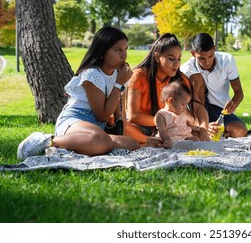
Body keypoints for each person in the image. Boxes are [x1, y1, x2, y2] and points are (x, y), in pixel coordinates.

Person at [17, 26, 140, 160]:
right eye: (118, 50)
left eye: (125, 49)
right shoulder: (92, 75)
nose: (124, 55)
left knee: (131, 143)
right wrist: (118, 84)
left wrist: (120, 130)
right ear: (103, 52)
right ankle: (46, 140)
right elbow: (103, 116)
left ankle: (77, 146)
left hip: (96, 129)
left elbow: (118, 116)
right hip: (75, 120)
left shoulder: (119, 75)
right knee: (102, 142)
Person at [124, 33, 209, 145]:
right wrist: (163, 121)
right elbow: (133, 116)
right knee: (122, 127)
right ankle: (150, 140)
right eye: (171, 59)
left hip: (172, 128)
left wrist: (203, 128)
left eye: (179, 59)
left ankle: (158, 141)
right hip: (143, 127)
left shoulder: (180, 78)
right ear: (157, 56)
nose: (176, 64)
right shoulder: (139, 75)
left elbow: (197, 106)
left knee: (198, 135)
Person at [181, 33, 248, 138]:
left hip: (220, 110)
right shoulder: (186, 70)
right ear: (193, 53)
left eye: (210, 56)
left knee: (240, 131)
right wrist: (201, 124)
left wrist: (233, 104)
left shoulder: (227, 60)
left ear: (215, 49)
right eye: (201, 58)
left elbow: (239, 92)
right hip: (198, 110)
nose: (207, 62)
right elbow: (183, 103)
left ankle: (215, 132)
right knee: (196, 77)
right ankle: (204, 128)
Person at [152, 81, 200, 149]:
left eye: (186, 104)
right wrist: (166, 140)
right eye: (183, 104)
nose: (185, 107)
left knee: (196, 139)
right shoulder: (162, 114)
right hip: (169, 140)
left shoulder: (182, 113)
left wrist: (199, 129)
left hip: (184, 138)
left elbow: (187, 125)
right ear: (170, 101)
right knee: (152, 142)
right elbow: (161, 129)